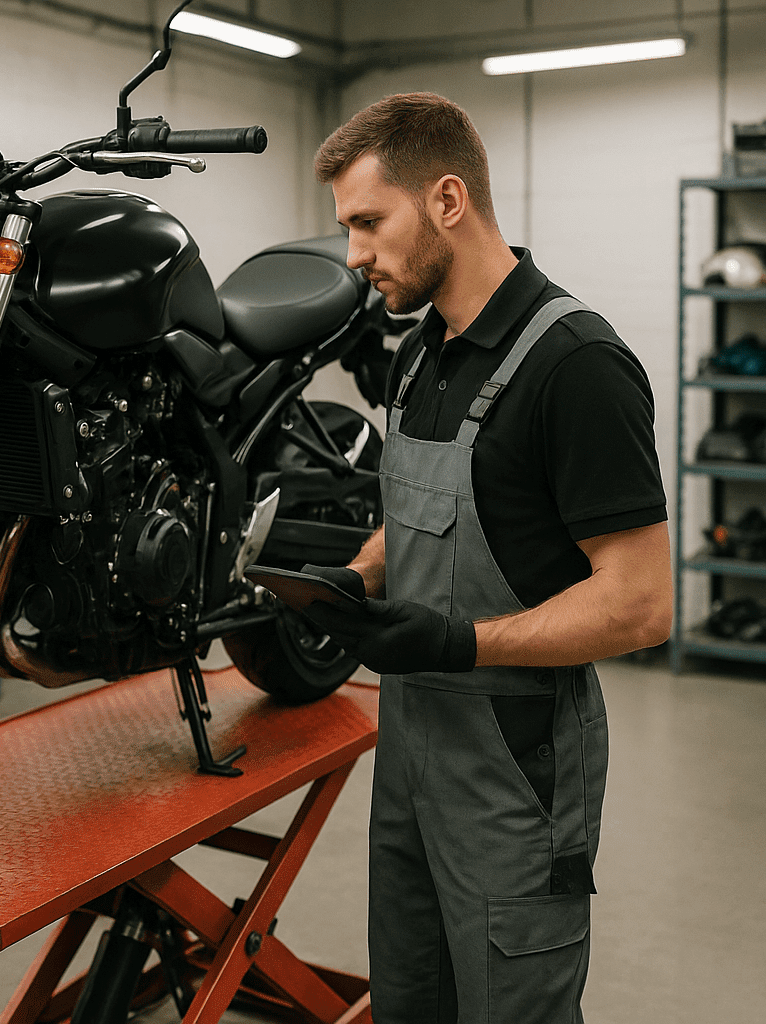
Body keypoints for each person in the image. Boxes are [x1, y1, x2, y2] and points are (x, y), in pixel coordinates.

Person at [303, 92, 671, 1024]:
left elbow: (638, 604)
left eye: (367, 223)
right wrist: (358, 577)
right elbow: (418, 512)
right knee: (410, 1004)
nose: (354, 255)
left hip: (517, 770)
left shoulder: (578, 366)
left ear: (448, 201)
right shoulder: (425, 352)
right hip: (413, 759)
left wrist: (455, 642)